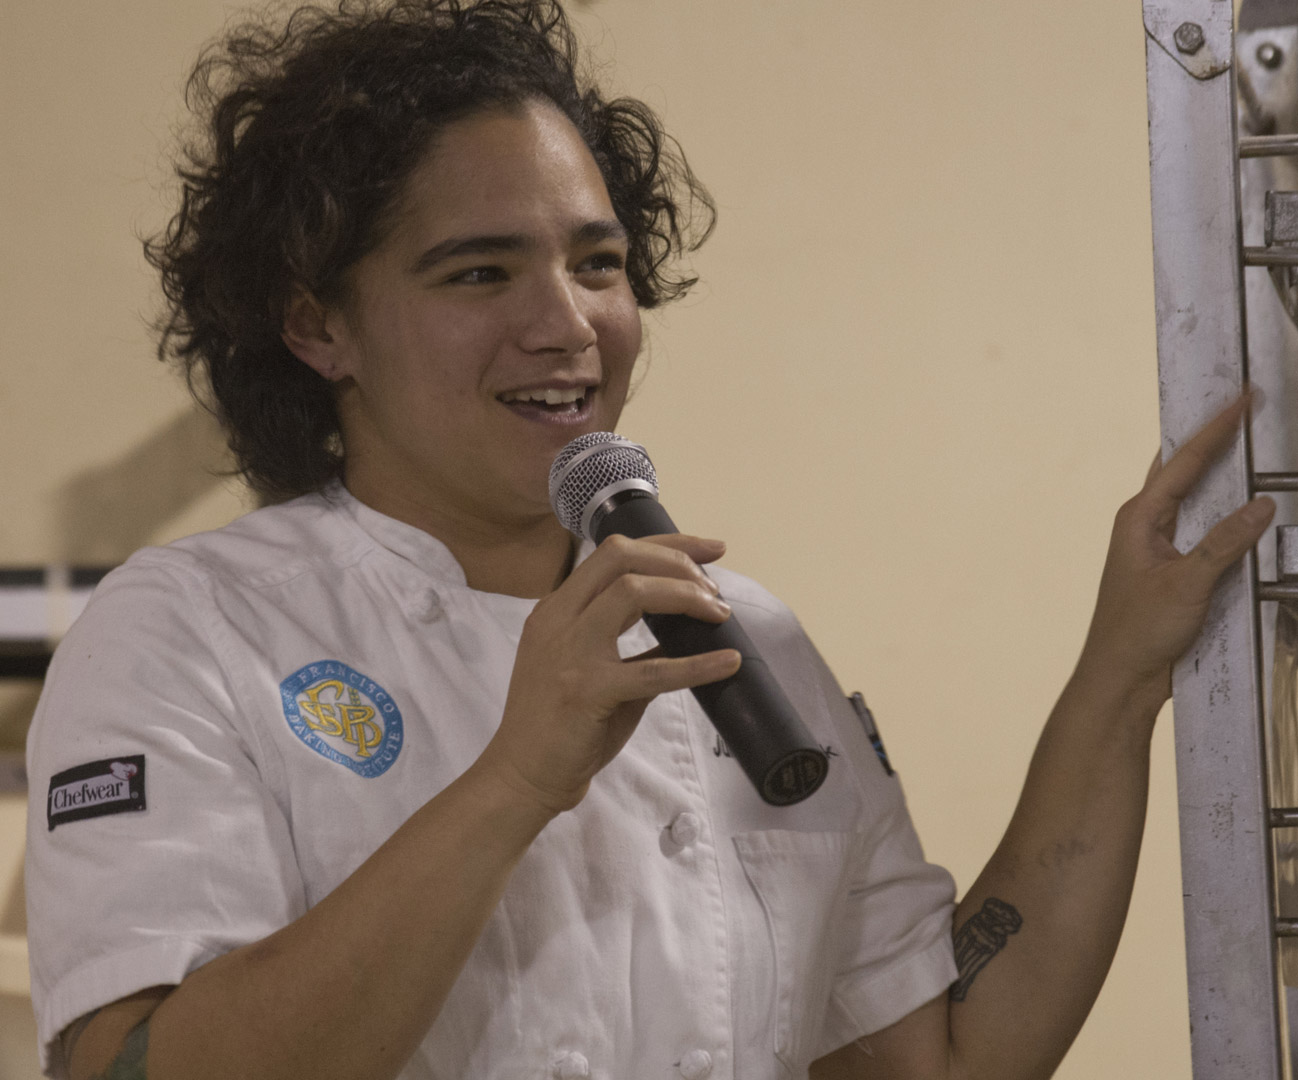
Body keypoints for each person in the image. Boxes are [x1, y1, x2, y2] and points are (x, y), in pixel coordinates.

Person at [22, 2, 1276, 1078]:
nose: (567, 324)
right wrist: (516, 780)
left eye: (597, 263)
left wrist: (1120, 675)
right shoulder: (192, 629)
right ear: (317, 327)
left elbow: (940, 1060)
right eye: (479, 273)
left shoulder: (744, 639)